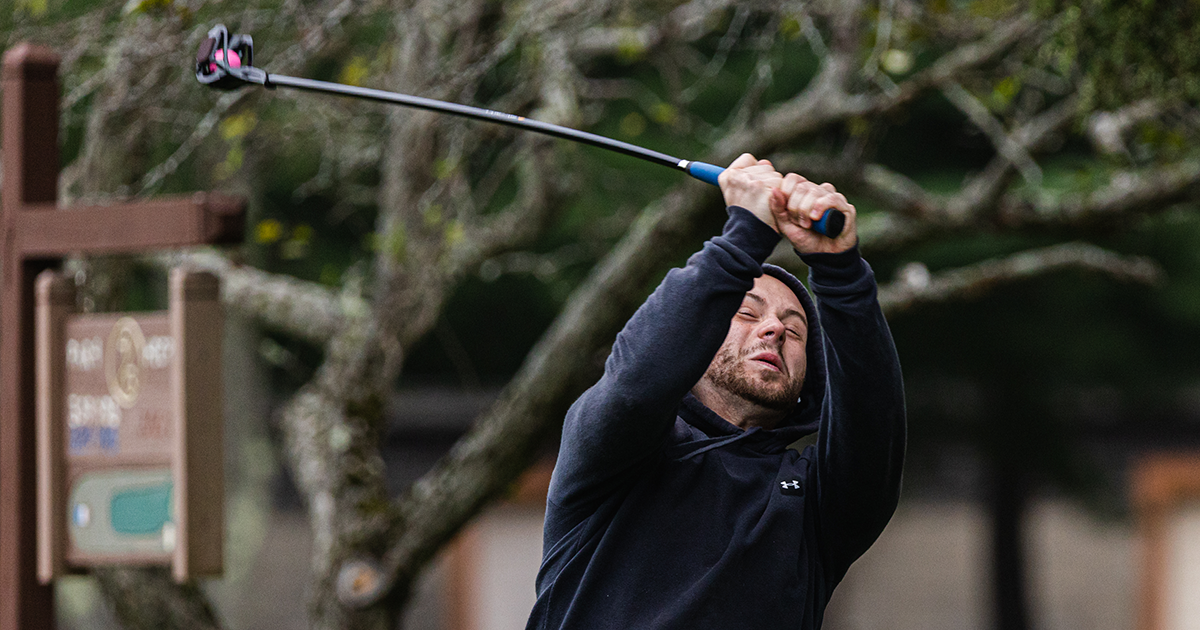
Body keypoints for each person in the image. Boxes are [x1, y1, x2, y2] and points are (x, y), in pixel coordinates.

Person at [525, 154, 906, 630]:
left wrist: (842, 273)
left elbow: (872, 421)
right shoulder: (618, 452)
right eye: (747, 312)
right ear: (699, 336)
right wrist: (745, 234)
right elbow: (635, 386)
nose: (774, 330)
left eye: (795, 330)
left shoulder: (816, 502)